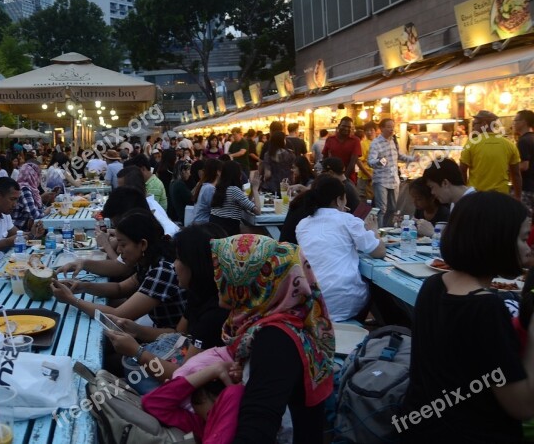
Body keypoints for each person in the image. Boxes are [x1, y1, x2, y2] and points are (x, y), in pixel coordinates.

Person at [401, 192, 533, 442]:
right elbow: (523, 405)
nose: (528, 248)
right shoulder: (485, 308)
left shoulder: (434, 284)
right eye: (524, 238)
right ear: (499, 240)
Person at [211, 234, 335, 444]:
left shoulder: (275, 339)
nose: (216, 277)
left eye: (221, 269)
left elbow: (257, 427)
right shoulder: (293, 318)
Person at [104, 223, 230, 381]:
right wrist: (136, 330)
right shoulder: (199, 294)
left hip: (190, 389)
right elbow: (178, 333)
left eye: (179, 258)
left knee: (109, 371)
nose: (174, 265)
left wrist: (137, 352)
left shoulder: (215, 315)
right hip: (178, 357)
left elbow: (181, 377)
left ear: (197, 265)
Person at [51, 210, 186, 329]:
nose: (119, 251)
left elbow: (118, 315)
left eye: (123, 244)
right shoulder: (148, 261)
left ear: (143, 244)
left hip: (172, 344)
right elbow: (120, 288)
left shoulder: (162, 271)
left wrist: (72, 300)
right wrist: (81, 287)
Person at [295, 175, 385, 322]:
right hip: (344, 302)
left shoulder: (302, 225)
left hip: (313, 303)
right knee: (375, 286)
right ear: (339, 200)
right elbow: (379, 251)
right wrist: (374, 232)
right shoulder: (348, 220)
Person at [460, 110, 522, 199]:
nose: (473, 128)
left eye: (475, 124)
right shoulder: (509, 144)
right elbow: (516, 174)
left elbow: (462, 170)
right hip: (501, 196)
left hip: (476, 196)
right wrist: (518, 197)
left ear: (484, 124)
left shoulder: (471, 144)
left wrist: (465, 193)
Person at [367, 119, 418, 227]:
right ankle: (380, 232)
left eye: (392, 127)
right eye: (389, 127)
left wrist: (412, 158)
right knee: (382, 208)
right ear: (381, 128)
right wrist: (380, 161)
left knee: (393, 208)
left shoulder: (394, 141)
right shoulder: (376, 143)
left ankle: (387, 229)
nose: (391, 129)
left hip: (394, 179)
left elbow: (400, 156)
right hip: (381, 179)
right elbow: (370, 161)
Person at [117, 167, 180, 237]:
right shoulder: (146, 202)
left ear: (132, 189)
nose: (119, 193)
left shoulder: (145, 209)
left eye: (121, 189)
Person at [210, 160, 261, 236]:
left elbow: (245, 203)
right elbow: (257, 211)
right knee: (258, 233)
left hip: (215, 230)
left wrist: (252, 189)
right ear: (236, 174)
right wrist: (255, 189)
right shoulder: (234, 190)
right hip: (228, 232)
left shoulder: (218, 188)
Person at [322, 117, 361, 183]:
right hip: (332, 177)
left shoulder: (355, 140)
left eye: (349, 127)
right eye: (344, 126)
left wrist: (343, 179)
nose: (346, 129)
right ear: (339, 126)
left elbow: (353, 161)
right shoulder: (330, 139)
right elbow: (325, 157)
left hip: (348, 178)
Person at [10, 162, 46, 231]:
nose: (39, 177)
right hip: (19, 230)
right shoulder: (24, 189)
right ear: (33, 175)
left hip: (25, 227)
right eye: (38, 175)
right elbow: (35, 216)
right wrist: (47, 211)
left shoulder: (31, 189)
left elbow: (38, 208)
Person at [191, 159, 222, 225]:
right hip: (203, 223)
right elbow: (214, 208)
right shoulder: (209, 188)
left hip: (200, 222)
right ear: (218, 172)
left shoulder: (204, 185)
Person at [515, 110, 534, 216]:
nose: (514, 123)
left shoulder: (523, 141)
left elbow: (524, 165)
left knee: (524, 219)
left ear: (524, 122)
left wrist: (508, 168)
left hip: (526, 188)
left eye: (516, 120)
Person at [356, 121, 376, 202]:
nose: (369, 132)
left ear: (376, 130)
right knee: (364, 201)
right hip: (365, 178)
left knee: (374, 201)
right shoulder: (363, 144)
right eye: (367, 131)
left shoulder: (378, 143)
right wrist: (369, 175)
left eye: (371, 130)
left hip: (376, 178)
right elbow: (359, 161)